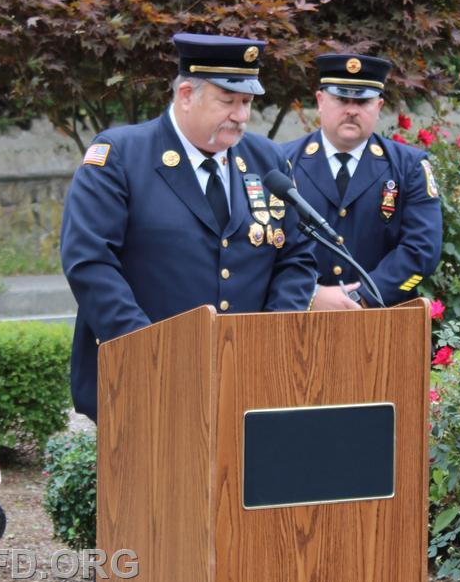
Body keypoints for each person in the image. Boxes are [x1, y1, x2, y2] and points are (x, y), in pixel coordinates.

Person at [61, 33, 316, 421]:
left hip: (248, 381)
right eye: (227, 101)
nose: (241, 115)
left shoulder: (266, 160)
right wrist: (151, 350)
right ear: (185, 94)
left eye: (246, 102)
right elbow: (89, 261)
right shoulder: (120, 157)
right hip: (145, 381)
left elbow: (296, 257)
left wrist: (269, 341)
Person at [283, 53, 442, 310]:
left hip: (383, 320)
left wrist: (364, 297)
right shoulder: (283, 163)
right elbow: (267, 247)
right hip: (299, 322)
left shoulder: (409, 167)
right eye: (341, 99)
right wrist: (310, 294)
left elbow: (422, 249)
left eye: (362, 102)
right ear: (321, 101)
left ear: (378, 107)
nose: (351, 110)